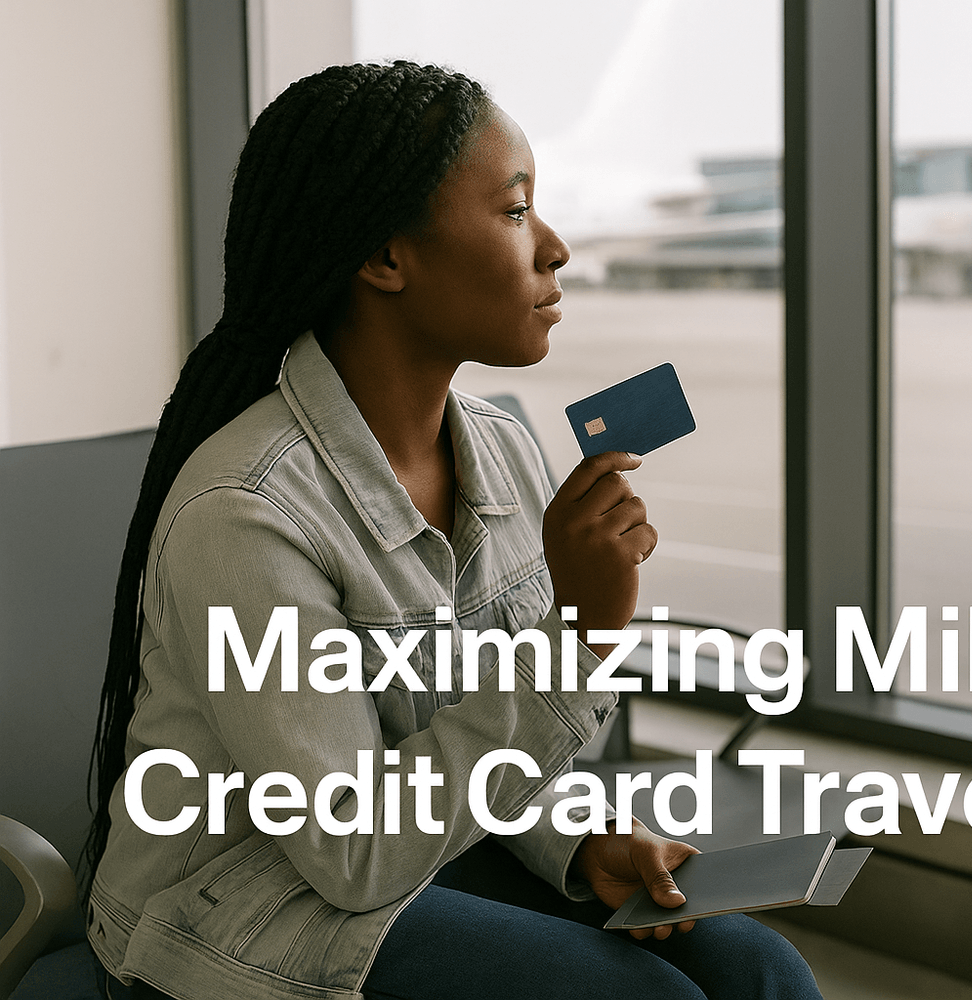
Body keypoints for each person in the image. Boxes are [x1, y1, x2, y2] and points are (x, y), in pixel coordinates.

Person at [82, 62, 822, 1000]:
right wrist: (577, 641)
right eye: (515, 213)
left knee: (761, 972)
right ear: (387, 258)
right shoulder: (248, 513)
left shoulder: (504, 451)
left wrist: (578, 842)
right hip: (241, 907)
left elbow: (454, 730)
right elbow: (353, 844)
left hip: (408, 858)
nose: (553, 248)